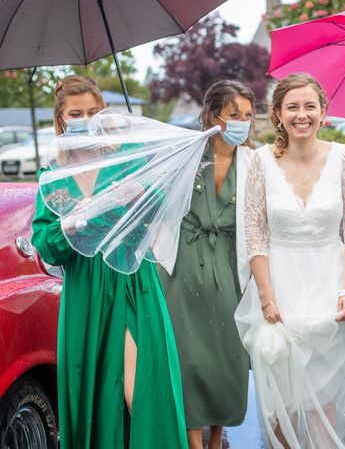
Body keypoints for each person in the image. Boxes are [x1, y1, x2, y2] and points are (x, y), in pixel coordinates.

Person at [235, 72, 345, 448]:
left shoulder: (344, 157)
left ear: (323, 112)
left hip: (331, 286)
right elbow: (254, 236)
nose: (302, 115)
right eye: (293, 107)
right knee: (282, 400)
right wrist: (267, 297)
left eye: (309, 106)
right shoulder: (260, 161)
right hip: (279, 285)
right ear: (278, 114)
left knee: (326, 396)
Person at [31, 75, 188, 448]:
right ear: (62, 121)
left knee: (143, 395)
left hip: (131, 284)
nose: (85, 119)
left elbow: (159, 207)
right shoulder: (52, 179)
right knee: (96, 396)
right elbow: (49, 249)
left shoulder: (128, 161)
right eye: (76, 114)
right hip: (85, 295)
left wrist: (140, 191)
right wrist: (70, 223)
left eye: (92, 112)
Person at [159, 80, 253, 449]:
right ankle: (193, 439)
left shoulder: (254, 162)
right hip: (183, 265)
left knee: (229, 353)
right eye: (234, 115)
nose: (243, 122)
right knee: (189, 356)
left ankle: (218, 435)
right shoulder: (186, 153)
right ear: (214, 117)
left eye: (247, 115)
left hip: (231, 266)